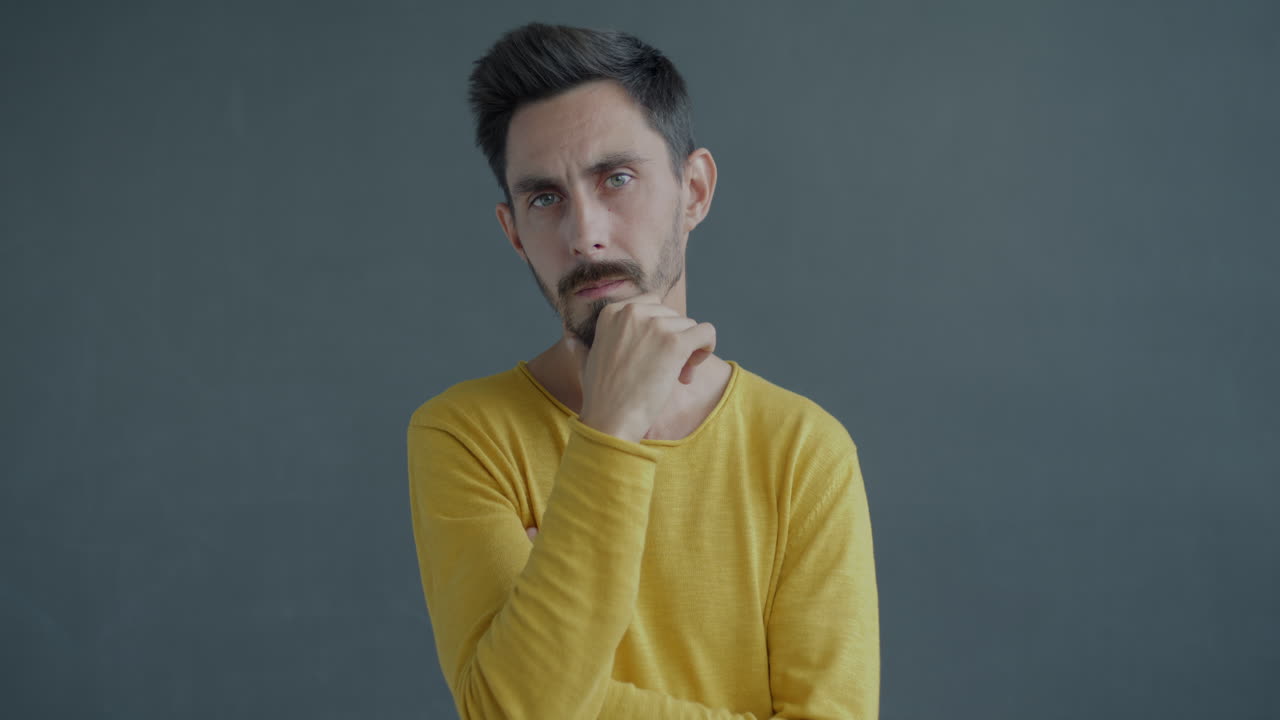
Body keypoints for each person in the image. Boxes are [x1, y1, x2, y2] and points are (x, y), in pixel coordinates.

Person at [407, 21, 880, 719]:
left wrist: (572, 691)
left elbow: (535, 705)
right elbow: (513, 712)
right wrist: (610, 429)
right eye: (545, 198)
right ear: (514, 234)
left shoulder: (804, 452)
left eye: (616, 178)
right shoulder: (466, 436)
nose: (584, 233)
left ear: (694, 191)